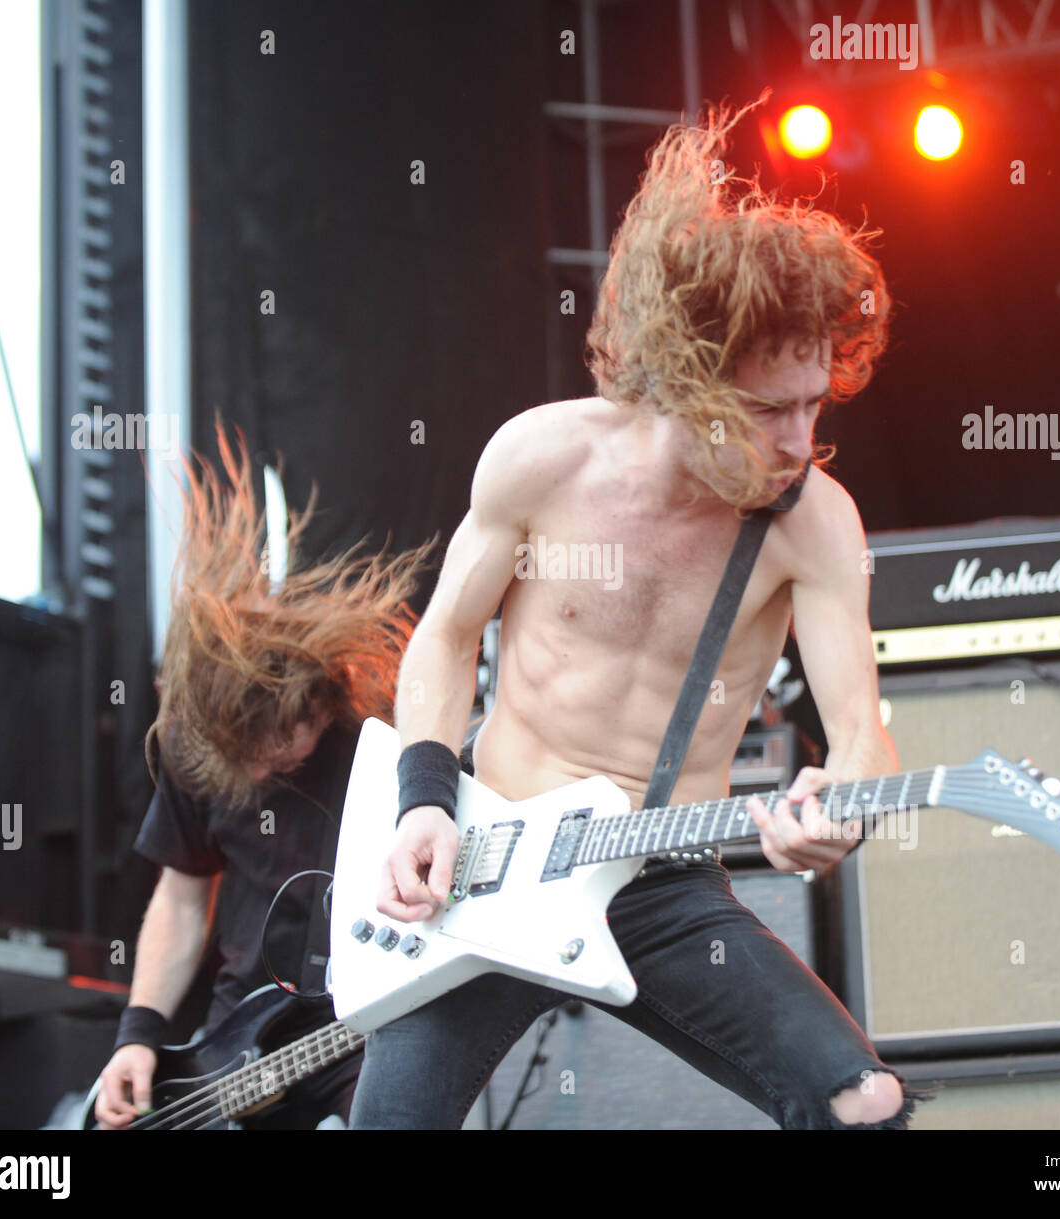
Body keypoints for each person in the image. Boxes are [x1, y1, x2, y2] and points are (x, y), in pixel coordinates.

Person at [356, 98, 930, 1130]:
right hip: (489, 861)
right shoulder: (542, 458)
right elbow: (443, 635)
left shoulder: (813, 524)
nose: (800, 440)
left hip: (662, 879)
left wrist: (842, 808)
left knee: (865, 1101)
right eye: (769, 409)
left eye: (815, 404)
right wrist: (424, 804)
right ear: (690, 376)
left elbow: (861, 732)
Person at [95, 428, 429, 1129]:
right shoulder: (195, 742)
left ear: (320, 702)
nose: (254, 771)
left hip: (368, 1028)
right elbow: (183, 896)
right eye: (238, 756)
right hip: (239, 1044)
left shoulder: (381, 741)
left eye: (276, 750)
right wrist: (138, 1033)